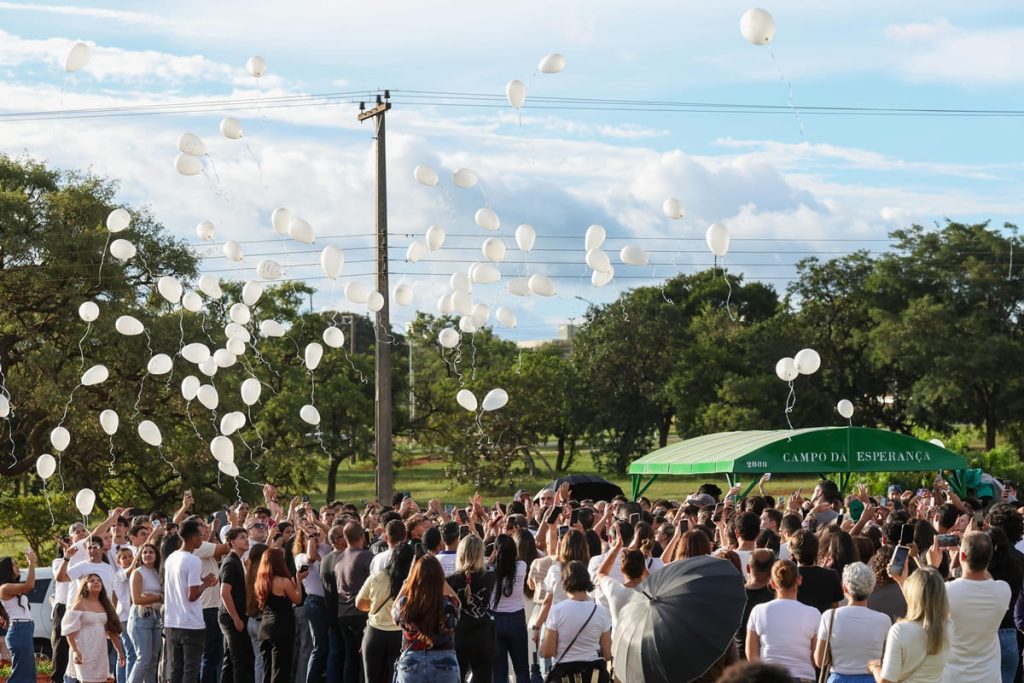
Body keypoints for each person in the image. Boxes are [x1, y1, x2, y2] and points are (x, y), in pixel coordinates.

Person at [942, 531, 1010, 683]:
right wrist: (976, 554)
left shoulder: (946, 591)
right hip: (989, 677)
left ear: (962, 556)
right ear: (989, 558)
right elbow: (988, 578)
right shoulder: (1003, 590)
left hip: (953, 677)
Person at [867, 565, 949, 683]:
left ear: (913, 593)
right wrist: (901, 581)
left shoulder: (900, 631)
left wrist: (875, 668)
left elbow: (886, 681)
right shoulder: (948, 627)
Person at [813, 562, 890, 683]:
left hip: (839, 679)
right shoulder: (884, 620)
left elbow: (820, 660)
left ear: (844, 587)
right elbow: (887, 660)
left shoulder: (830, 616)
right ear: (872, 588)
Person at [746, 559, 820, 682]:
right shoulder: (813, 613)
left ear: (772, 583)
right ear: (799, 580)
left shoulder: (758, 611)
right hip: (803, 676)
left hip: (768, 677)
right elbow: (815, 657)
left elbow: (752, 654)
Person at [392, 555, 462, 683]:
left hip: (411, 662)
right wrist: (444, 583)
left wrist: (407, 584)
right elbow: (458, 605)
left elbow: (394, 614)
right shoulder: (448, 605)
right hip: (444, 661)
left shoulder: (405, 604)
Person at [164, 519, 219, 683]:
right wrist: (206, 584)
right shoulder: (193, 560)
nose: (202, 539)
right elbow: (192, 595)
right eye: (200, 536)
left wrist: (202, 580)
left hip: (172, 622)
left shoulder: (171, 557)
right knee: (191, 670)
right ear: (193, 537)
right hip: (191, 624)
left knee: (176, 669)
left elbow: (181, 583)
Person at [540, 561, 611, 683]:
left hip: (564, 674)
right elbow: (607, 653)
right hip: (593, 675)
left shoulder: (556, 611)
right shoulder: (600, 611)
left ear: (564, 582)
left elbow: (547, 651)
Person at [357, 543, 415, 683]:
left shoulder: (377, 576)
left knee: (371, 679)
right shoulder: (412, 582)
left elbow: (359, 603)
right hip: (400, 635)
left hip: (374, 633)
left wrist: (374, 607)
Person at [445, 535, 495, 683]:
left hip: (459, 636)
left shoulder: (450, 581)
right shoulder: (490, 577)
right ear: (480, 554)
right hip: (483, 637)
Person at [62, 574, 127, 683]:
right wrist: (75, 651)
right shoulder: (79, 604)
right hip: (83, 649)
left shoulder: (106, 605)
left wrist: (120, 652)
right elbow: (69, 630)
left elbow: (112, 631)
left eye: (98, 580)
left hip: (100, 650)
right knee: (86, 680)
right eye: (92, 580)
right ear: (85, 586)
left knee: (100, 680)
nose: (96, 582)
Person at [255, 547, 307, 683]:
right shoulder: (283, 581)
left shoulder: (261, 581)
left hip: (265, 626)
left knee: (267, 669)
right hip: (281, 627)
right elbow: (297, 599)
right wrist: (298, 581)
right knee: (280, 670)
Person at [490, 534, 529, 683]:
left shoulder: (490, 569)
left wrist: (492, 557)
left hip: (496, 619)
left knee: (499, 670)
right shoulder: (522, 566)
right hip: (517, 619)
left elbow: (488, 564)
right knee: (522, 669)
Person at [335, 522, 372, 683]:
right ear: (362, 536)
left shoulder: (339, 557)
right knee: (365, 657)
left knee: (350, 657)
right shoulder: (366, 556)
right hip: (361, 612)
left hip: (343, 613)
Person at [218, 528, 254, 683]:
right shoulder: (230, 563)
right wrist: (236, 619)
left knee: (230, 660)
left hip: (235, 616)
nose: (246, 540)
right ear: (232, 542)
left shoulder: (237, 561)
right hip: (231, 618)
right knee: (239, 660)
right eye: (242, 537)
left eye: (246, 537)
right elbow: (224, 592)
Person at [294, 526, 327, 683]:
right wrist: (311, 538)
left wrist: (317, 523)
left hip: (328, 603)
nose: (315, 538)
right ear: (302, 540)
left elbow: (333, 533)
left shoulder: (324, 550)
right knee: (319, 647)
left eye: (316, 535)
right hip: (314, 603)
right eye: (310, 536)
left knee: (328, 647)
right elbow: (311, 558)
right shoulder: (300, 557)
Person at [126, 543, 162, 683]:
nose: (147, 555)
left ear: (156, 555)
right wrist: (158, 597)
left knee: (153, 660)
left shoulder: (158, 572)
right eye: (144, 552)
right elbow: (137, 599)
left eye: (151, 552)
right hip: (141, 617)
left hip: (156, 616)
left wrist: (153, 597)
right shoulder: (138, 572)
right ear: (140, 556)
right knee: (144, 658)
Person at [0, 551, 37, 683]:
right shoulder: (5, 588)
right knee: (22, 674)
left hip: (24, 628)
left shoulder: (11, 587)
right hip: (19, 629)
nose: (17, 567)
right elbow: (30, 585)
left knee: (28, 672)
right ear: (7, 569)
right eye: (14, 565)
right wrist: (31, 563)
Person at [735, 549, 775, 660]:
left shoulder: (735, 597)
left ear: (748, 568)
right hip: (770, 662)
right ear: (772, 569)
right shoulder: (778, 597)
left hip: (741, 662)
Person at [791, 530, 842, 613]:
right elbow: (834, 609)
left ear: (793, 552)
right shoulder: (831, 575)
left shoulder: (789, 576)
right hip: (823, 620)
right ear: (817, 550)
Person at [244, 544, 269, 683]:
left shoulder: (249, 572)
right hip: (260, 620)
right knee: (263, 662)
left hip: (252, 620)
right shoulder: (262, 574)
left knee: (259, 661)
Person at [112, 547, 137, 683]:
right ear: (118, 561)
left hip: (134, 617)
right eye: (124, 557)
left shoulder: (136, 573)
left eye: (130, 556)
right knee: (130, 653)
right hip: (124, 618)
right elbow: (129, 571)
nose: (128, 559)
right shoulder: (119, 574)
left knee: (126, 654)